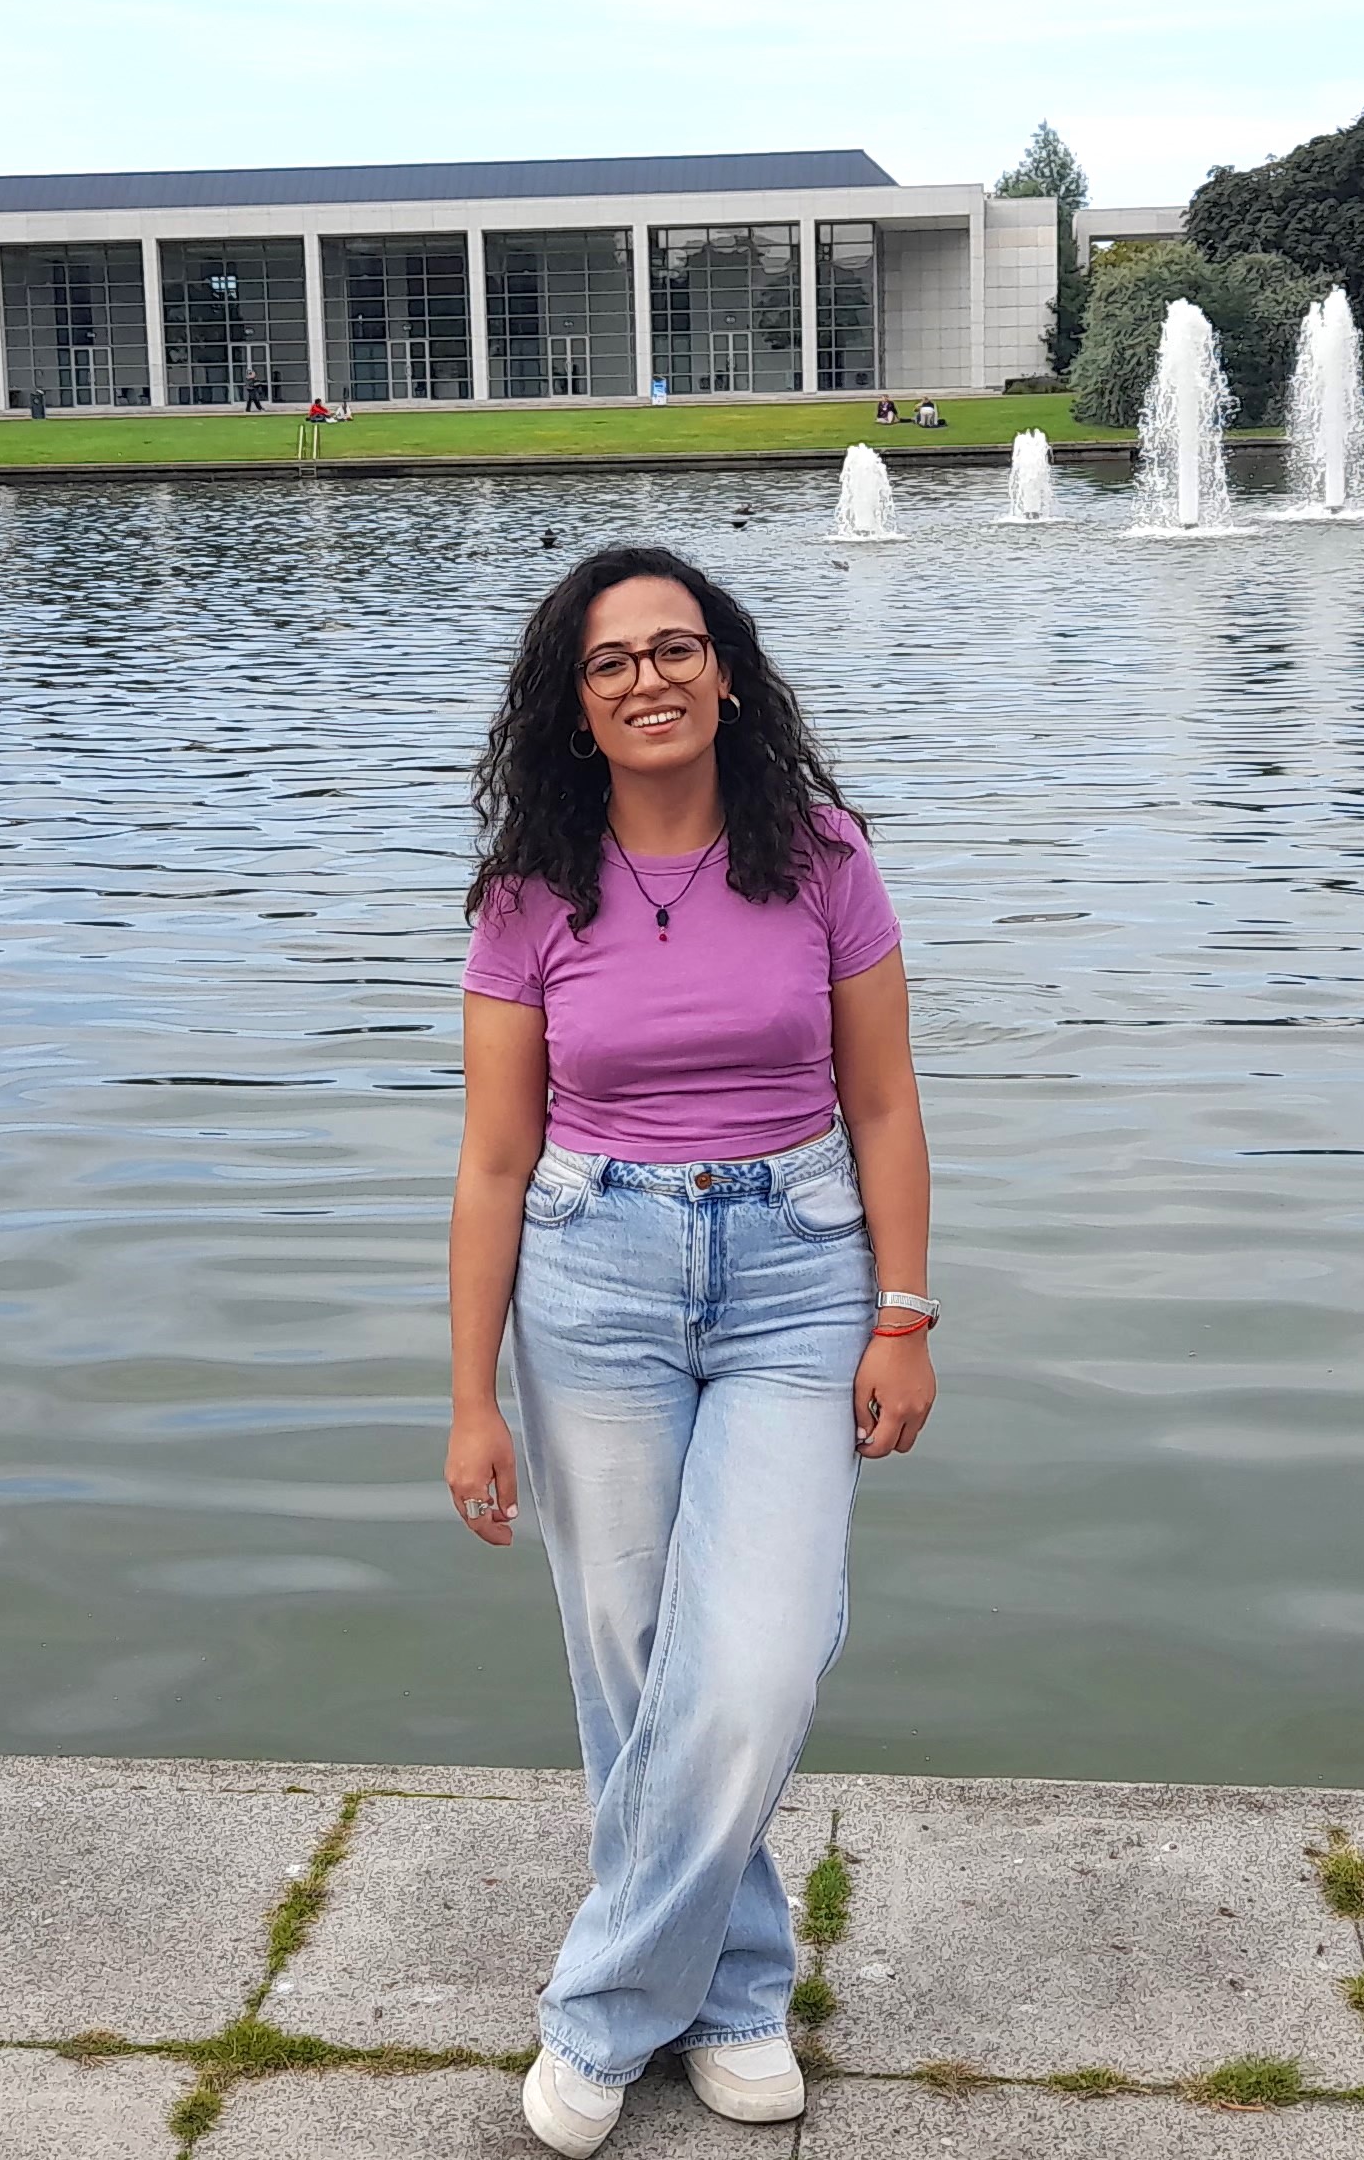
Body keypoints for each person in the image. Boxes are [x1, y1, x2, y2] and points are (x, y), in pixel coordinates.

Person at [450, 546, 936, 2155]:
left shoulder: (822, 857)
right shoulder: (529, 892)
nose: (646, 680)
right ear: (573, 708)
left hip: (802, 1270)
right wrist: (466, 1398)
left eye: (676, 649)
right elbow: (494, 1159)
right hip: (591, 1273)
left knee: (758, 1657)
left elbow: (882, 1103)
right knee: (636, 1665)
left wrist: (905, 1314)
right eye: (609, 663)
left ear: (727, 673)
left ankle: (598, 2010)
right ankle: (733, 1996)